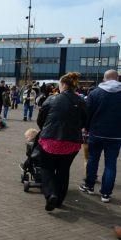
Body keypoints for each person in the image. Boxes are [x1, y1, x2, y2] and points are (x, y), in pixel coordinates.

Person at [36, 72, 87, 211]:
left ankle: (51, 194)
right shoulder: (81, 101)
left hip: (50, 140)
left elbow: (40, 120)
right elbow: (85, 122)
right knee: (63, 171)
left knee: (47, 168)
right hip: (72, 142)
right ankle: (59, 201)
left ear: (63, 84)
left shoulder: (52, 99)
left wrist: (45, 129)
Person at [79, 69, 121, 203]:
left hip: (96, 133)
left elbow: (87, 113)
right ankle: (106, 194)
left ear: (104, 79)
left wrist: (86, 127)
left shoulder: (95, 93)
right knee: (111, 164)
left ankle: (89, 186)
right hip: (116, 136)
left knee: (93, 159)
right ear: (118, 79)